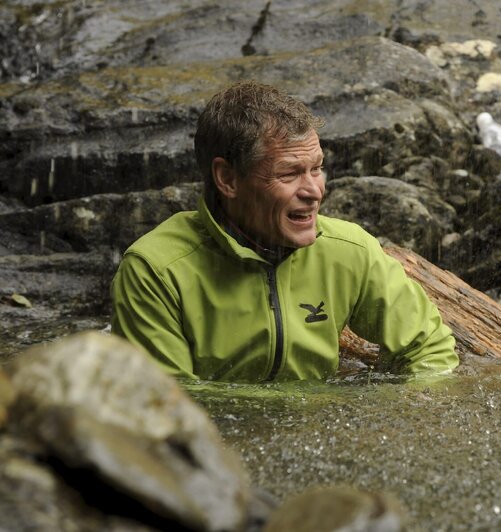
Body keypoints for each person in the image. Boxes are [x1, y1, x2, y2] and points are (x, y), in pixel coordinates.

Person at [110, 81, 458, 382]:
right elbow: (166, 403)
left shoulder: (349, 250)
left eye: (316, 169)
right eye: (289, 173)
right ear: (228, 179)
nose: (314, 191)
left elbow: (429, 348)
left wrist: (412, 410)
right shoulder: (156, 270)